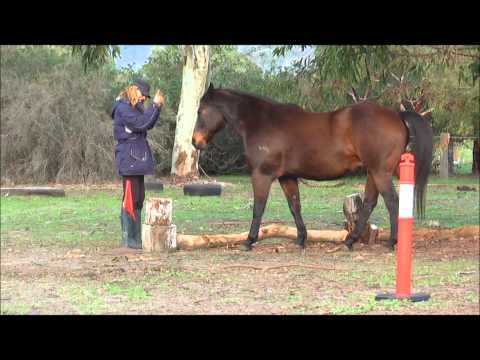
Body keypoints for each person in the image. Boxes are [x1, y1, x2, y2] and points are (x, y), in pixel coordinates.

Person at [111, 79, 164, 248]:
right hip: (128, 158)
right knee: (130, 198)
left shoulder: (133, 107)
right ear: (134, 90)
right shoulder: (123, 108)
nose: (144, 99)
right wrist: (154, 106)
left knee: (139, 197)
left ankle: (135, 239)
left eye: (147, 98)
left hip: (137, 158)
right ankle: (130, 240)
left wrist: (157, 108)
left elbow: (147, 124)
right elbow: (141, 123)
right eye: (143, 95)